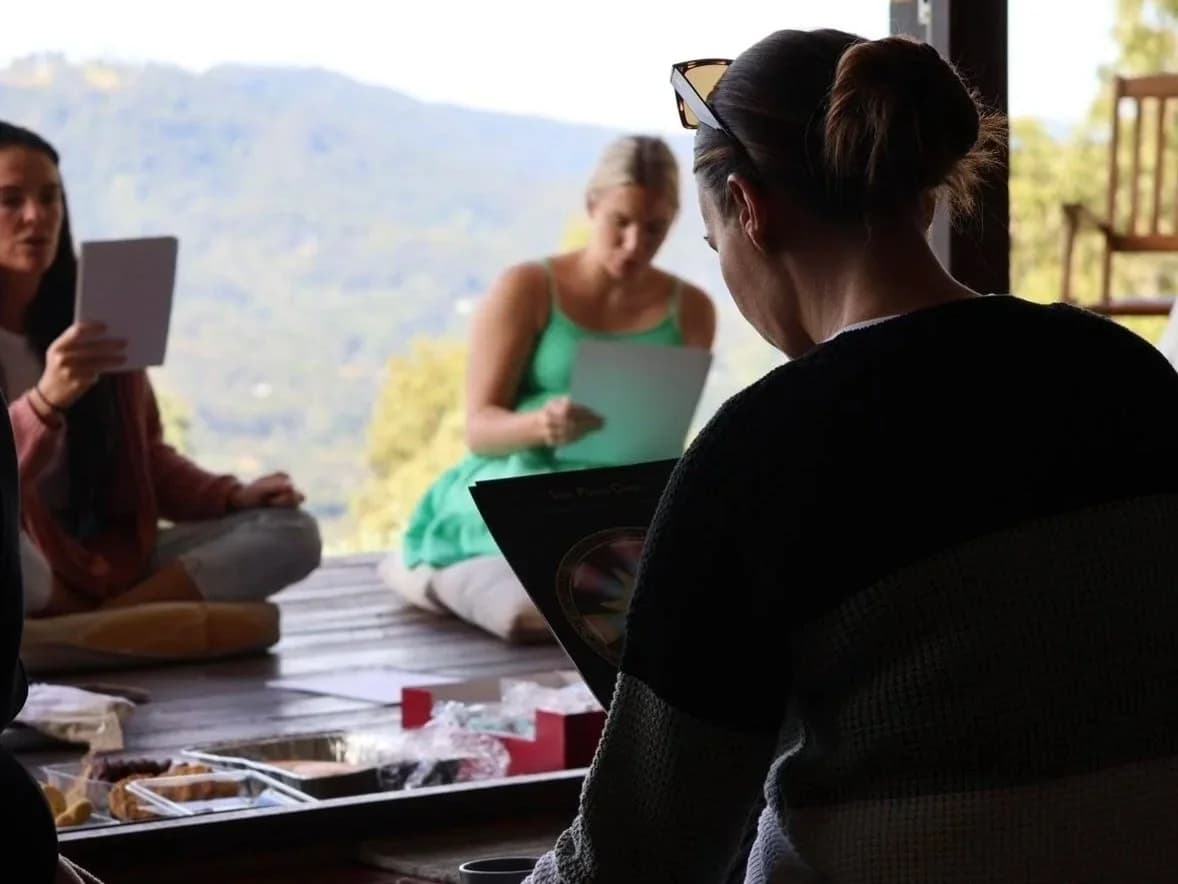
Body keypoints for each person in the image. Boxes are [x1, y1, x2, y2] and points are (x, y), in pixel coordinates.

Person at [525, 30, 1178, 884]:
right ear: (924, 197)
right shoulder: (1123, 370)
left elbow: (640, 850)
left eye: (720, 250)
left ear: (751, 211)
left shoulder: (763, 451)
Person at [382, 135, 715, 643]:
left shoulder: (691, 308)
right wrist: (542, 425)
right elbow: (479, 429)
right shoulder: (529, 287)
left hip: (628, 492)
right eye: (620, 223)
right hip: (527, 477)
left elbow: (666, 431)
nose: (635, 245)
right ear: (591, 206)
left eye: (654, 228)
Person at [0, 121, 322, 618]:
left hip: (105, 557)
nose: (36, 217)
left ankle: (105, 625)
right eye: (10, 200)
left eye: (50, 198)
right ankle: (129, 625)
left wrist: (233, 495)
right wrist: (45, 402)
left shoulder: (97, 310)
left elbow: (143, 458)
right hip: (27, 561)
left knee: (292, 531)